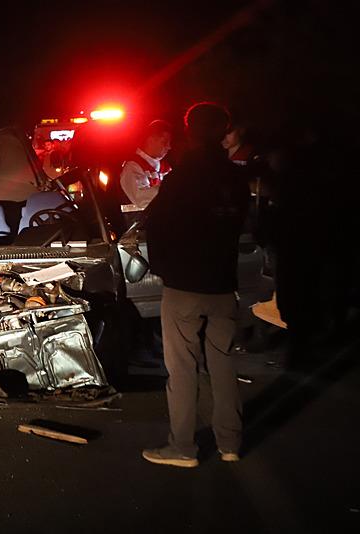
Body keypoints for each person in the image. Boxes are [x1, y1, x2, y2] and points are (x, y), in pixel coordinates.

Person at [142, 102, 250, 467]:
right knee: (222, 364)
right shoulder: (236, 178)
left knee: (183, 367)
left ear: (190, 131)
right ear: (225, 131)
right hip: (223, 285)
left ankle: (183, 447)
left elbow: (154, 224)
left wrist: (162, 268)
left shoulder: (182, 177)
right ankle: (230, 443)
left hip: (185, 286)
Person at [119, 120, 173, 210]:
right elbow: (141, 199)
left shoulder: (165, 168)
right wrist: (172, 187)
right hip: (139, 222)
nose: (169, 146)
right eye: (164, 142)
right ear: (150, 140)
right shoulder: (133, 166)